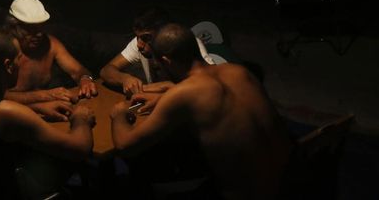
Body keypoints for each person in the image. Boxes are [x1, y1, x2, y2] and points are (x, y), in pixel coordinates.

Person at [110, 23, 292, 200]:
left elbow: (126, 146)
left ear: (166, 61)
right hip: (290, 180)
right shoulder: (239, 71)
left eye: (158, 66)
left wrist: (118, 113)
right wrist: (169, 92)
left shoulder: (184, 94)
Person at [0, 28, 96, 200]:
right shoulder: (7, 112)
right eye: (19, 58)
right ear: (8, 66)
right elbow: (80, 149)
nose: (22, 62)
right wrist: (80, 117)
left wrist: (37, 108)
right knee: (80, 161)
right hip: (5, 190)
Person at [99, 7, 216, 95]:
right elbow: (106, 70)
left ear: (164, 33)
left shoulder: (184, 43)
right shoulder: (140, 42)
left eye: (146, 38)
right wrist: (124, 78)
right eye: (138, 37)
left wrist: (168, 87)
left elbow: (212, 83)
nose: (139, 44)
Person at [4, 0, 98, 104]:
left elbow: (78, 71)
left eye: (40, 27)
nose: (39, 34)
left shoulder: (50, 44)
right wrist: (45, 95)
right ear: (14, 27)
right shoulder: (3, 51)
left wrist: (85, 79)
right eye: (31, 28)